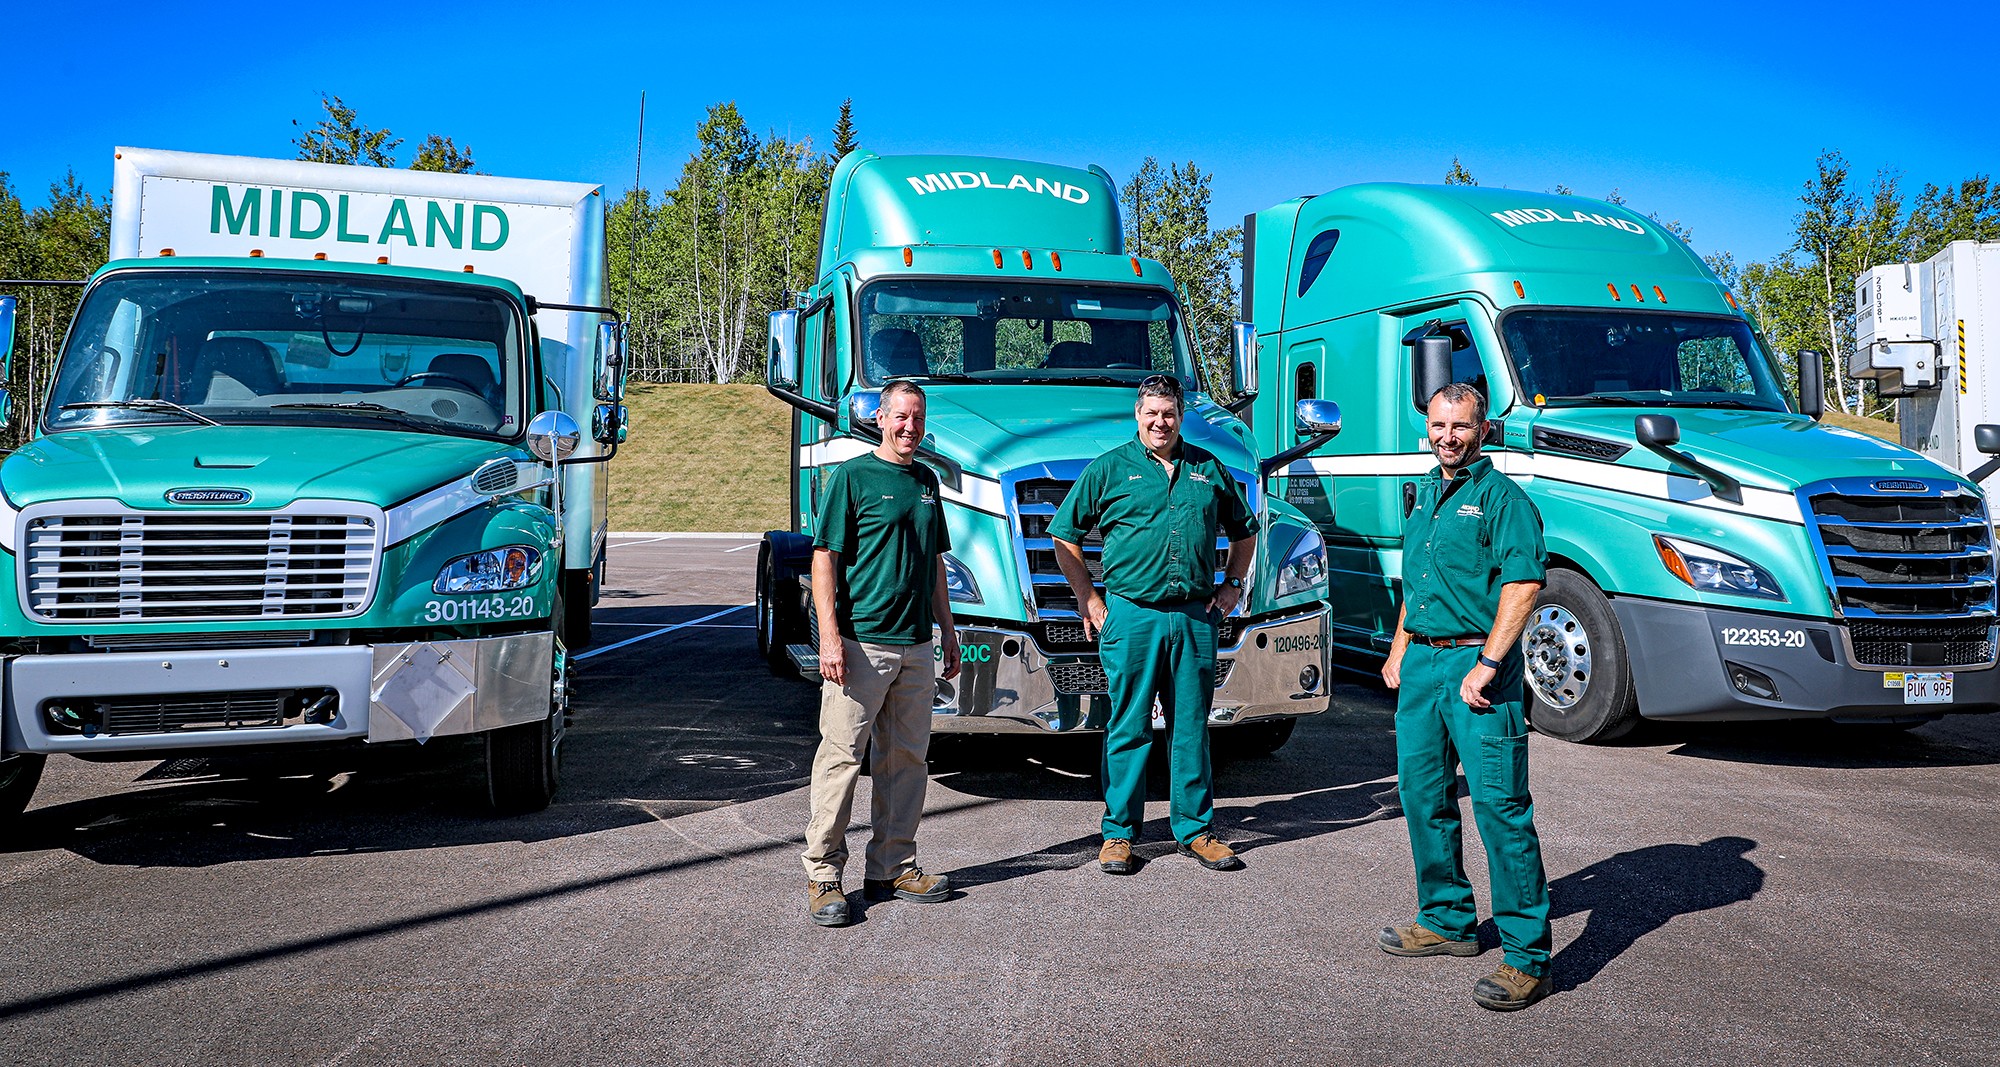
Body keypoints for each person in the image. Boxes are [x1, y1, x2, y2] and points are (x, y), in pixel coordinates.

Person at [1377, 381, 1553, 1011]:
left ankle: (1528, 957)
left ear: (1482, 430)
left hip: (1479, 672)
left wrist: (1487, 664)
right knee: (1422, 796)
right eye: (1438, 425)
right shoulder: (1423, 493)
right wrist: (1400, 648)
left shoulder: (1502, 499)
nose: (1447, 437)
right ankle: (1448, 919)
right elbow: (1417, 582)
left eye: (1460, 426)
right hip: (1423, 664)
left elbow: (1524, 586)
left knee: (1501, 809)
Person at [1051, 373, 1258, 876]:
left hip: (1194, 617)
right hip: (1132, 617)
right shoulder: (1110, 469)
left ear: (1181, 417)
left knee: (1191, 728)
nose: (1160, 422)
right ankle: (1119, 834)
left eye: (1168, 414)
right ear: (1137, 416)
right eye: (1151, 413)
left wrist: (1232, 585)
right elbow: (1064, 535)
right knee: (1129, 726)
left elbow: (1244, 530)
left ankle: (1196, 831)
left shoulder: (1208, 468)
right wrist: (1089, 600)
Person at [800, 380, 961, 927]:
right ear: (881, 419)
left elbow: (934, 562)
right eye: (901, 417)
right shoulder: (852, 477)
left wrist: (948, 629)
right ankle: (823, 877)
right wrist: (829, 638)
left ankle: (892, 866)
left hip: (915, 646)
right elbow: (825, 560)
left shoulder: (926, 481)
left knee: (906, 761)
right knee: (842, 761)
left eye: (917, 417)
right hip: (861, 644)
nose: (909, 427)